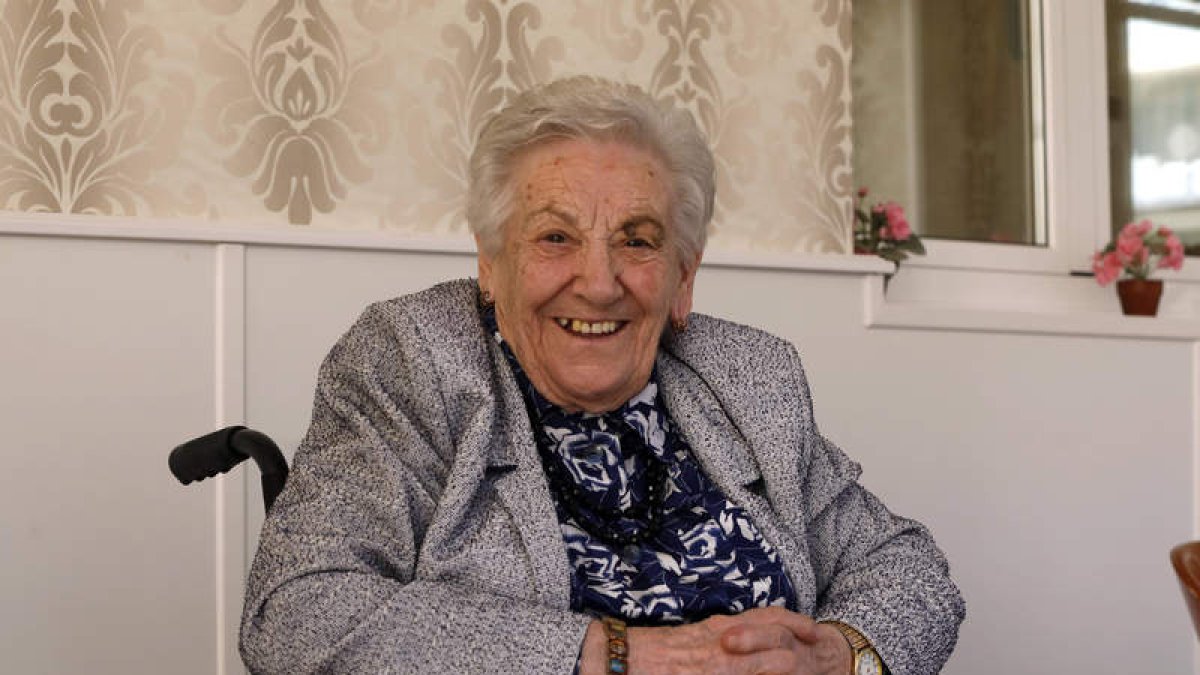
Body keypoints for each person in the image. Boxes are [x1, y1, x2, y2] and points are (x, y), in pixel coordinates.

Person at [240, 75, 964, 675]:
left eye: (638, 240)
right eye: (556, 236)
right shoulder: (416, 359)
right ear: (491, 264)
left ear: (683, 278)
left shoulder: (750, 376)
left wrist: (844, 655)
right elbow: (299, 611)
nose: (600, 281)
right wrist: (614, 654)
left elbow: (905, 565)